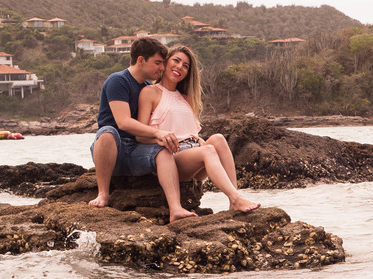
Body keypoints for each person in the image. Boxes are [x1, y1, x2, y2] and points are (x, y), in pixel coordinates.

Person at [136, 45, 260, 214]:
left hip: (193, 154)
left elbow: (188, 131)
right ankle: (236, 198)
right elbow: (140, 136)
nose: (180, 67)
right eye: (176, 61)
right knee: (208, 150)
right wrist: (160, 137)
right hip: (171, 158)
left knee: (218, 139)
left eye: (185, 66)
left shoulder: (186, 98)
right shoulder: (150, 92)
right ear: (165, 62)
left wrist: (199, 140)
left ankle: (234, 199)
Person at [89, 37, 197, 223]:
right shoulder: (118, 80)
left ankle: (176, 208)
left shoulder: (148, 88)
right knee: (107, 133)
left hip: (137, 150)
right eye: (158, 63)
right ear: (141, 60)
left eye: (163, 63)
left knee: (163, 151)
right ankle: (103, 194)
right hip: (113, 150)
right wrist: (158, 133)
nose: (162, 68)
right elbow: (123, 122)